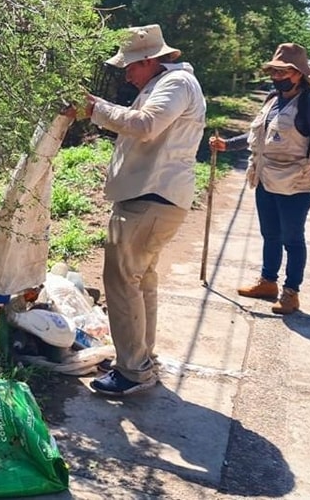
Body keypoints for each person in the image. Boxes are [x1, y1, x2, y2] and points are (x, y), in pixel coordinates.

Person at [65, 24, 206, 397]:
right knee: (140, 280)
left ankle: (132, 371)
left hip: (150, 197)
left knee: (122, 281)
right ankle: (139, 358)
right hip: (152, 198)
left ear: (149, 60)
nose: (126, 72)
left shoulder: (174, 85)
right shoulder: (162, 86)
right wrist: (98, 107)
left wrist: (95, 108)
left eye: (130, 65)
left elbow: (144, 125)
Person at [209, 43, 310, 315]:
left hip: (297, 183)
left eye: (283, 73)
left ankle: (291, 292)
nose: (277, 77)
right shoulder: (271, 99)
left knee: (292, 237)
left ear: (299, 74)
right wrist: (226, 145)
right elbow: (257, 137)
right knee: (270, 234)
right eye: (274, 72)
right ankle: (268, 282)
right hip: (265, 179)